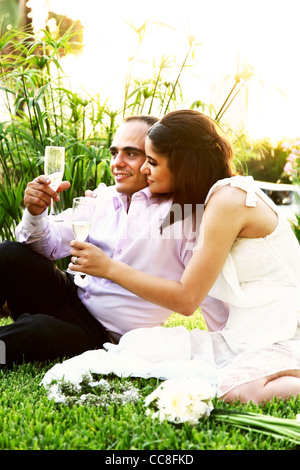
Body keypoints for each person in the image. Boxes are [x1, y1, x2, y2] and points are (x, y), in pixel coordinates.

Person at [67, 109, 300, 404]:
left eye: (152, 162)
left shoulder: (229, 200)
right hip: (249, 332)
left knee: (236, 391)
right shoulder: (211, 200)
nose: (143, 171)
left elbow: (187, 299)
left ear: (183, 165)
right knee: (141, 345)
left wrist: (109, 268)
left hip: (281, 332)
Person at [0, 114, 227, 365]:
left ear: (158, 158)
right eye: (114, 152)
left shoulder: (180, 215)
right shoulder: (103, 198)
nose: (117, 163)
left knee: (37, 331)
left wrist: (227, 342)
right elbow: (47, 246)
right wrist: (35, 213)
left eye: (131, 154)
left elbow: (203, 294)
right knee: (8, 253)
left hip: (103, 334)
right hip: (69, 295)